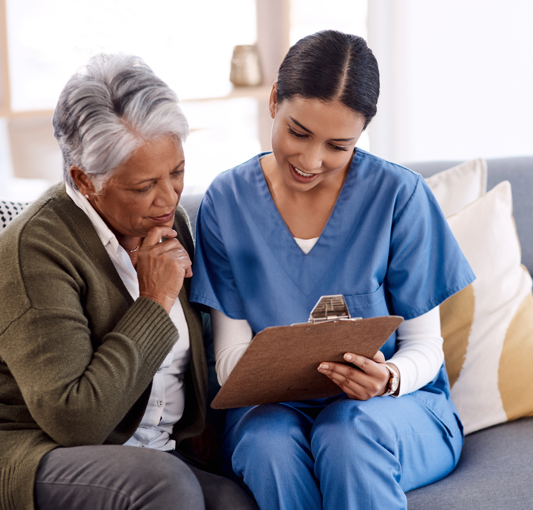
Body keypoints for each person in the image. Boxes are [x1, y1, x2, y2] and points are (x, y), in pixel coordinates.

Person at [190, 30, 476, 510]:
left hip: (388, 411)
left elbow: (425, 349)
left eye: (338, 145)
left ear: (362, 134)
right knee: (268, 445)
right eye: (298, 132)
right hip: (270, 414)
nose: (310, 160)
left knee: (348, 429)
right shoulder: (227, 201)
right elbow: (229, 355)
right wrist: (278, 377)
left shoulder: (399, 198)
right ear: (274, 100)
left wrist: (386, 380)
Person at [0, 54, 255, 510]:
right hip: (22, 451)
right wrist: (154, 301)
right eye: (143, 186)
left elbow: (188, 369)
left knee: (233, 500)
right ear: (85, 180)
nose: (169, 197)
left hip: (150, 452)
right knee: (165, 484)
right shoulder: (34, 253)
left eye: (177, 172)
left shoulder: (170, 224)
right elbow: (76, 421)